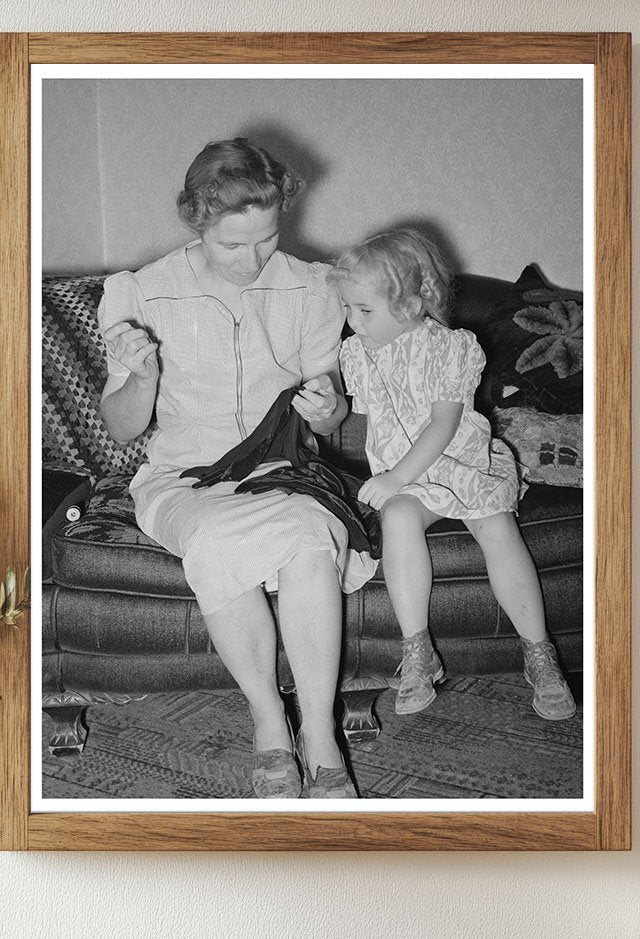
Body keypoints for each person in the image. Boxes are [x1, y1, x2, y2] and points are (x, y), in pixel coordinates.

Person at [97, 138, 376, 800]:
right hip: (184, 481)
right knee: (217, 537)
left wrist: (330, 404)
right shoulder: (141, 294)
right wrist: (143, 376)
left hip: (281, 472)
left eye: (265, 239)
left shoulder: (312, 288)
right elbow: (122, 428)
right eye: (231, 246)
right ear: (197, 222)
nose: (252, 260)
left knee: (311, 539)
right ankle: (269, 724)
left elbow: (326, 418)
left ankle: (320, 733)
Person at [330, 228, 577, 720]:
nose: (353, 323)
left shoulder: (451, 347)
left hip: (459, 463)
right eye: (347, 309)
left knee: (496, 525)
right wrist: (325, 404)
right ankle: (418, 651)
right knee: (398, 517)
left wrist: (395, 476)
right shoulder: (355, 353)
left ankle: (539, 652)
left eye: (365, 311)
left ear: (414, 302)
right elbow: (366, 417)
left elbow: (443, 425)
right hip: (408, 478)